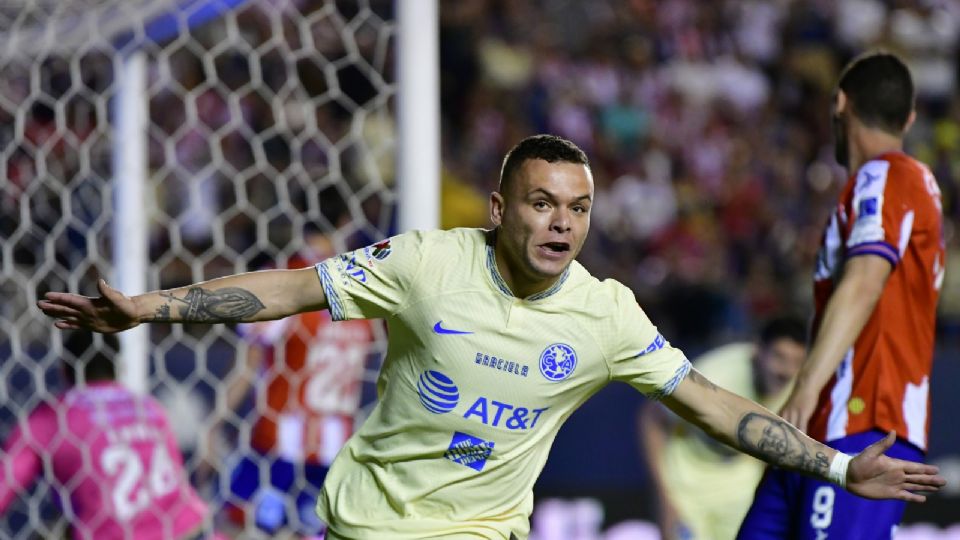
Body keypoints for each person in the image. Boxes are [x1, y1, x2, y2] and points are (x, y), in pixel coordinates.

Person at [38, 134, 944, 540]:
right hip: (373, 525)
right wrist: (151, 309)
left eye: (579, 208)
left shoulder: (606, 314)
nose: (563, 224)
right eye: (544, 203)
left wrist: (834, 466)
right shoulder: (427, 261)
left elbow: (711, 406)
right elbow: (290, 289)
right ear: (501, 208)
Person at [738, 51, 945, 539]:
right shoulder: (891, 185)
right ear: (909, 117)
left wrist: (805, 386)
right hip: (822, 427)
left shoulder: (888, 175)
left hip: (863, 421)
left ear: (841, 102)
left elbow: (867, 278)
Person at [211, 221, 379, 538]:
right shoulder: (363, 288)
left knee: (230, 525)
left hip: (278, 444)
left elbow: (249, 364)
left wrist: (215, 422)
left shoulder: (290, 280)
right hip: (333, 449)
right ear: (348, 226)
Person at [0, 331, 212, 540]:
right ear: (118, 368)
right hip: (195, 532)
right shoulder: (148, 407)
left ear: (64, 370)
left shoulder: (49, 419)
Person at [640, 315, 806, 540]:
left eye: (796, 362)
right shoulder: (714, 375)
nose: (785, 371)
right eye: (779, 357)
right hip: (687, 477)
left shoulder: (800, 385)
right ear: (758, 351)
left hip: (739, 478)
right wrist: (664, 496)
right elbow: (651, 418)